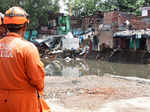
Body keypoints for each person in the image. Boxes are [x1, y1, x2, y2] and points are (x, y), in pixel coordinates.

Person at [0, 6, 45, 112]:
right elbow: (37, 79)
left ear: (5, 25)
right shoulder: (27, 48)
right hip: (24, 102)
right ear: (24, 26)